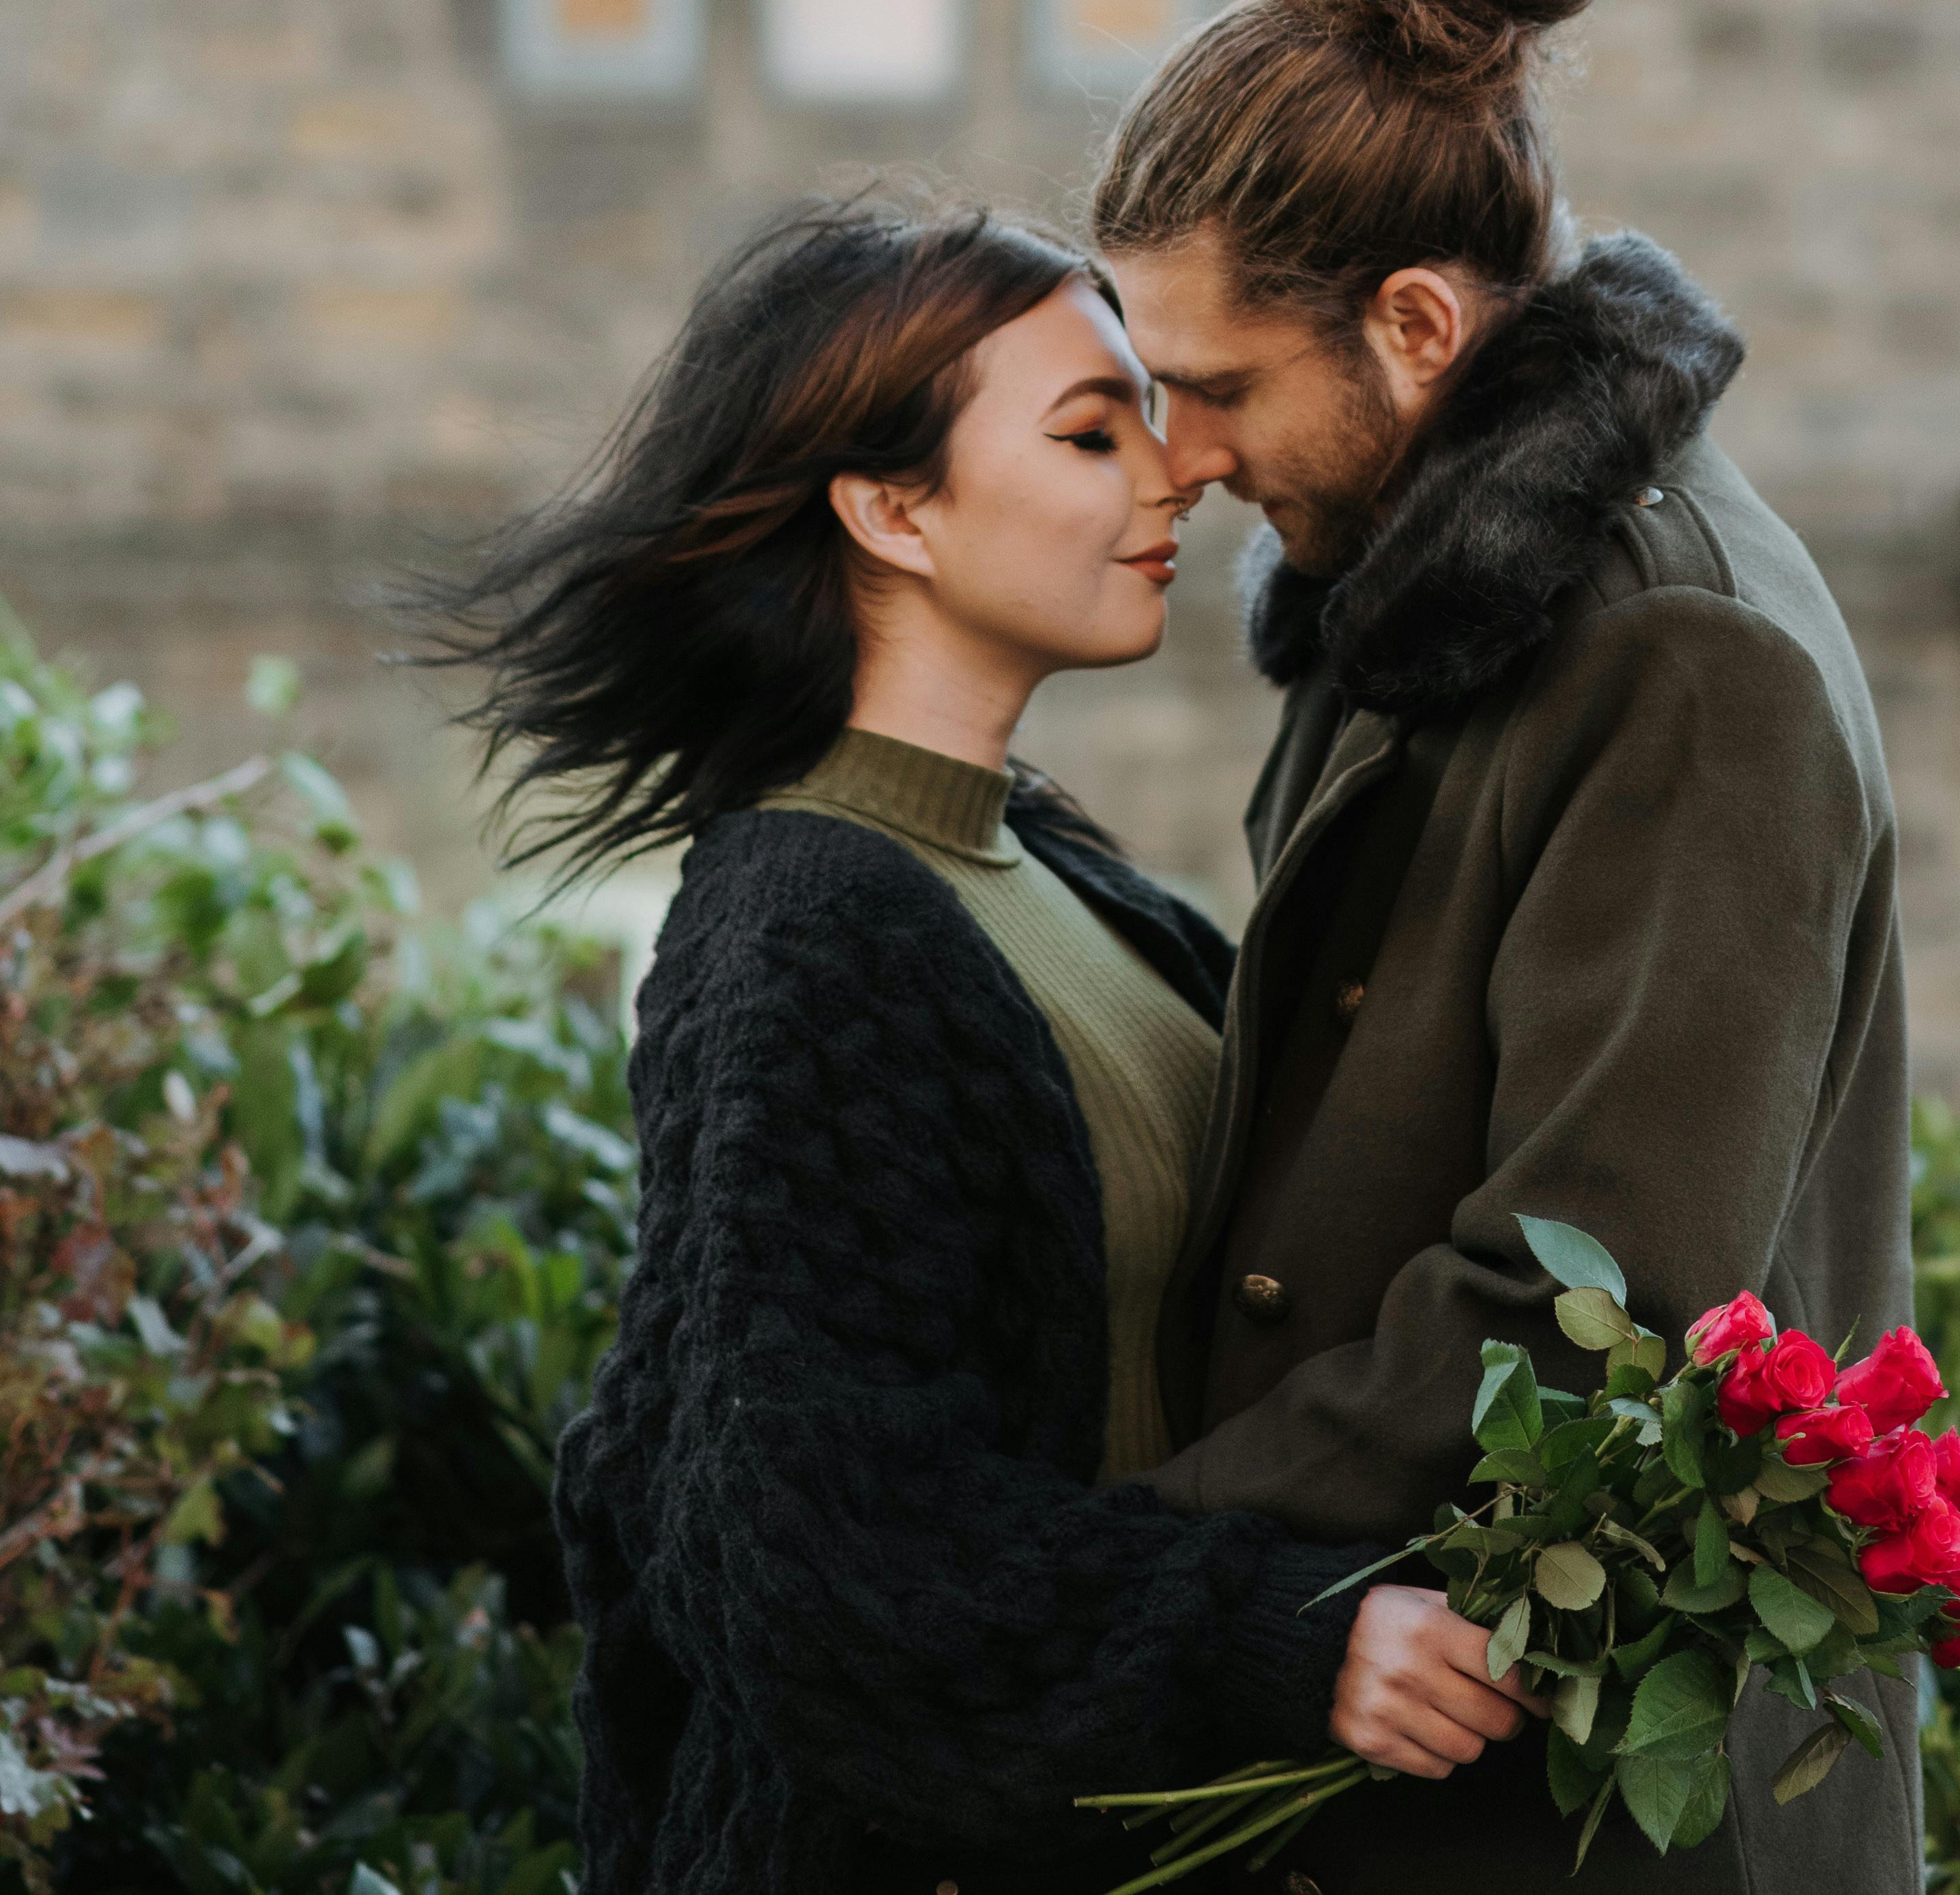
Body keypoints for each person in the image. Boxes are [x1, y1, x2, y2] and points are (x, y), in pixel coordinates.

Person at [418, 201, 1522, 1895]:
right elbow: (819, 1547)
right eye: (1091, 433)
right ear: (892, 509)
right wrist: (1279, 1637)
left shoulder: (1048, 864)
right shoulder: (808, 927)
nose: (1175, 472)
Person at [1091, 0, 1922, 1894]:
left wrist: (1127, 1556)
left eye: (1216, 384)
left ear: (1415, 326)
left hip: (1610, 1814)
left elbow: (1588, 1298)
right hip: (1424, 1738)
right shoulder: (1413, 600)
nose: (1177, 456)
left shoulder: (1680, 657)